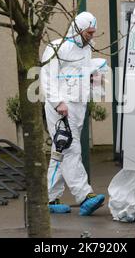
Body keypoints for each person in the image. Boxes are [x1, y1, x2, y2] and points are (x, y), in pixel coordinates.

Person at [40, 12, 105, 216]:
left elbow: (83, 74)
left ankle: (49, 198)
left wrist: (95, 81)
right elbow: (47, 77)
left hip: (77, 107)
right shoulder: (56, 48)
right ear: (79, 29)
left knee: (60, 153)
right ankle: (84, 195)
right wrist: (58, 102)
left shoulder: (86, 50)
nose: (91, 36)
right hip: (61, 108)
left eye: (93, 32)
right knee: (71, 148)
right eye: (89, 32)